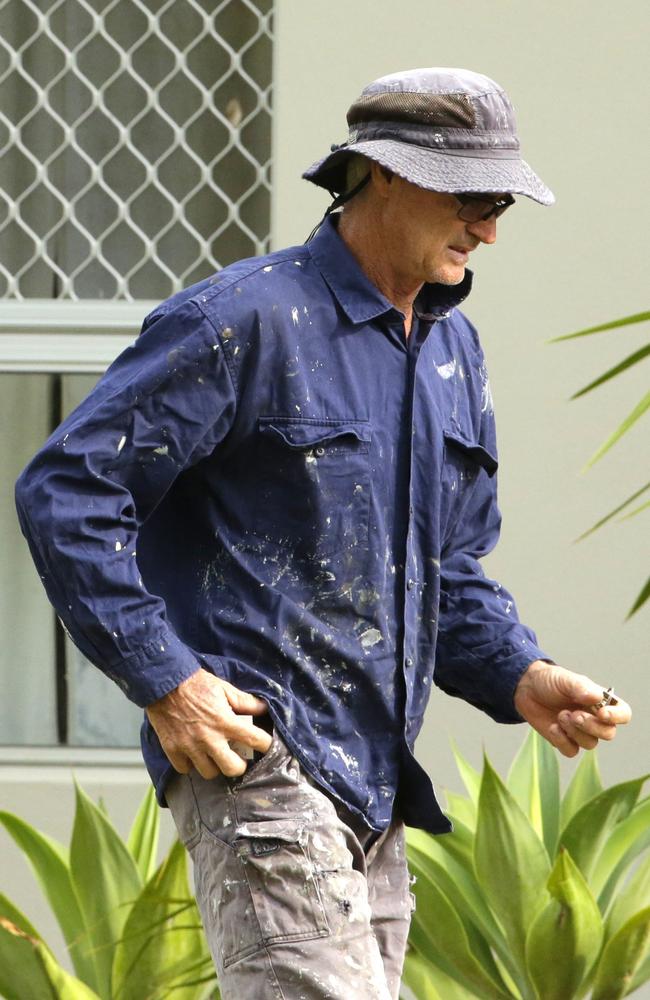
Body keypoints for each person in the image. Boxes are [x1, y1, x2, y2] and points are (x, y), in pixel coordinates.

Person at [15, 67, 631, 999]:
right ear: (382, 174)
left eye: (501, 201)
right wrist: (168, 683)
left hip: (377, 784)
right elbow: (68, 488)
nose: (491, 228)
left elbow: (445, 569)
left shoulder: (451, 352)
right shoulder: (240, 321)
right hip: (259, 762)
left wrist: (519, 671)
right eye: (472, 197)